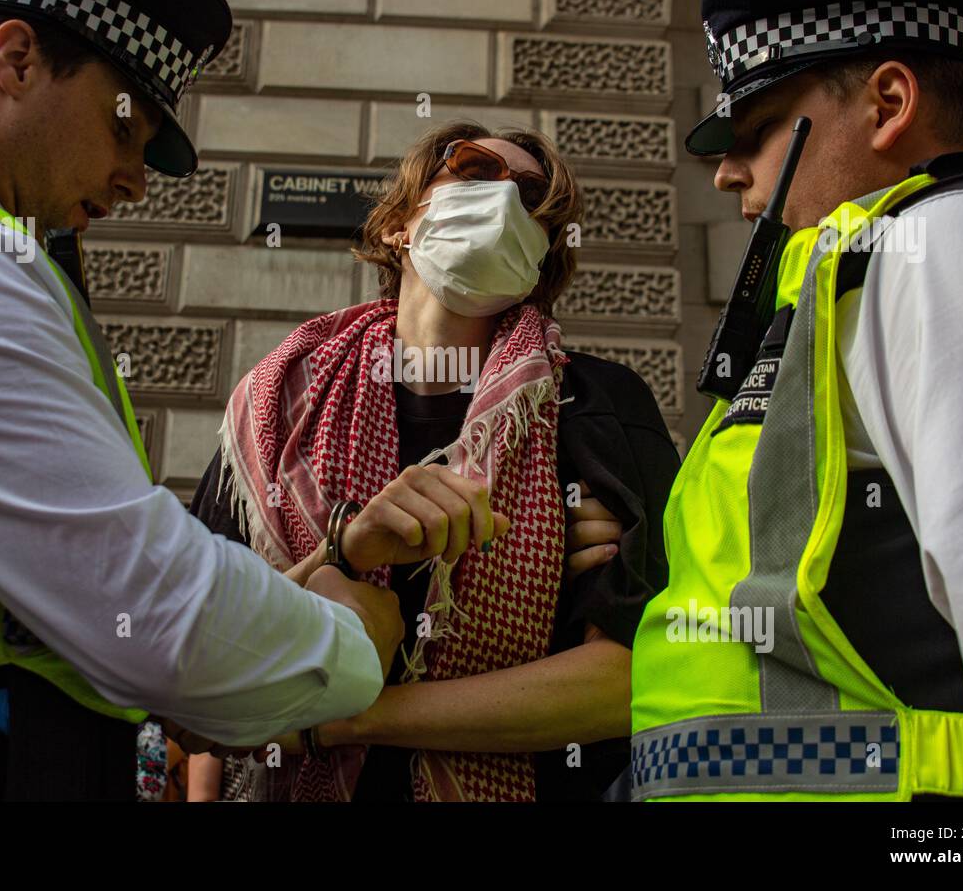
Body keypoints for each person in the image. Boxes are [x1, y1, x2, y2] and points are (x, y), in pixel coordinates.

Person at [0, 0, 503, 800]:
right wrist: (349, 635)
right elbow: (154, 612)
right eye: (128, 128)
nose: (134, 184)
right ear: (15, 59)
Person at [629, 0, 963, 801]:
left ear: (889, 105)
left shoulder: (960, 248)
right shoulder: (846, 283)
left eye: (755, 128)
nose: (727, 171)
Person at [190, 121, 680, 801]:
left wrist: (344, 722)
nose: (506, 199)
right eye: (474, 170)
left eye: (536, 196)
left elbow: (635, 676)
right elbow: (196, 657)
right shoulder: (281, 403)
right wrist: (343, 554)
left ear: (540, 258)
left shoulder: (594, 405)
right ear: (398, 223)